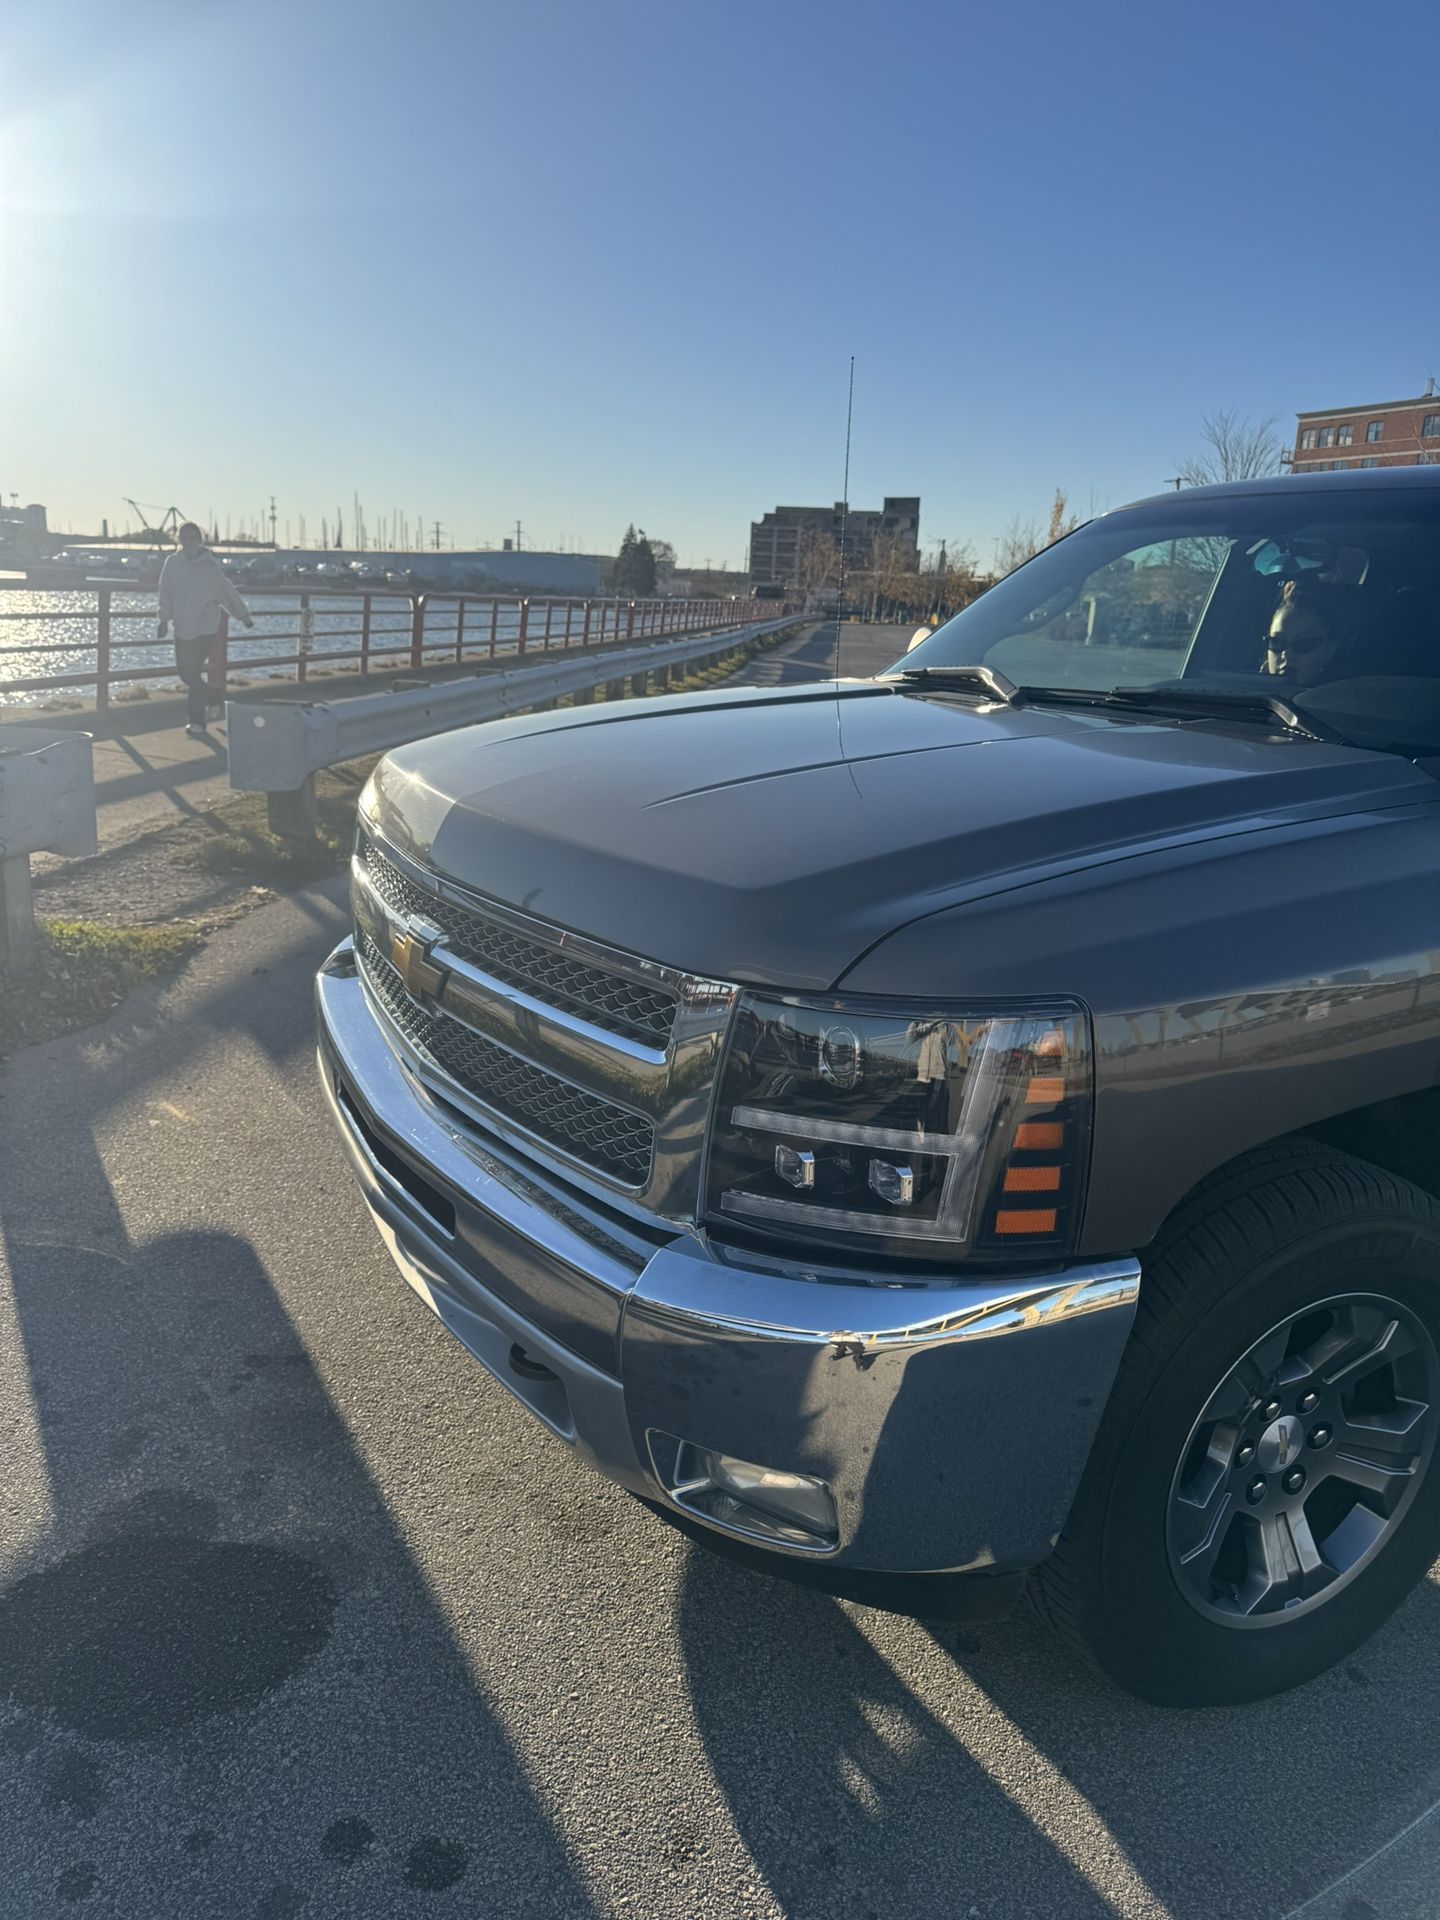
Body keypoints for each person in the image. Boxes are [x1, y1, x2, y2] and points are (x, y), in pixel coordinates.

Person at [156, 523, 255, 738]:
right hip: (182, 625)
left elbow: (226, 591)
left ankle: (196, 722)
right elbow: (165, 592)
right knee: (186, 674)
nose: (189, 541)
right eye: (184, 537)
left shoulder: (209, 566)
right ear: (178, 539)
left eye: (193, 537)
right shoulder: (172, 563)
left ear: (199, 540)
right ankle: (215, 696)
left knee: (192, 672)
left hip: (205, 626)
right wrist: (163, 620)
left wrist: (243, 615)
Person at [1261, 575, 1355, 689]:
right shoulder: (1241, 694)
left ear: (1330, 650)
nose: (1287, 655)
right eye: (1277, 643)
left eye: (1303, 644)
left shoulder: (1347, 702)